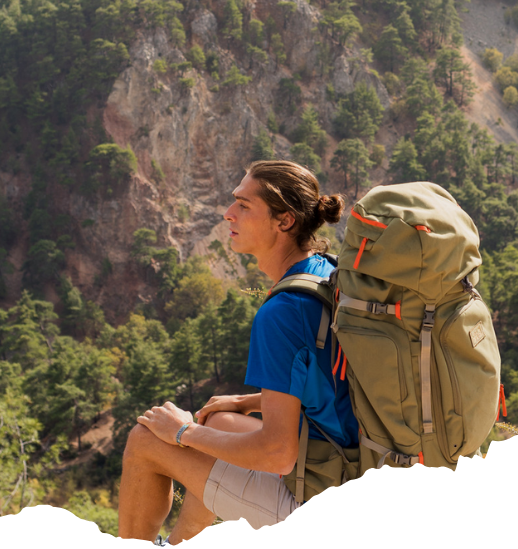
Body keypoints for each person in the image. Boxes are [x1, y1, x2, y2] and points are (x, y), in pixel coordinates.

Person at [117, 160, 359, 544]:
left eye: (244, 206)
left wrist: (183, 432)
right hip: (354, 471)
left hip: (323, 510)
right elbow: (330, 381)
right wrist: (246, 402)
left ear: (284, 221)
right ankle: (180, 543)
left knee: (146, 440)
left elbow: (277, 453)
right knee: (222, 420)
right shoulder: (326, 272)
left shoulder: (282, 312)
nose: (228, 214)